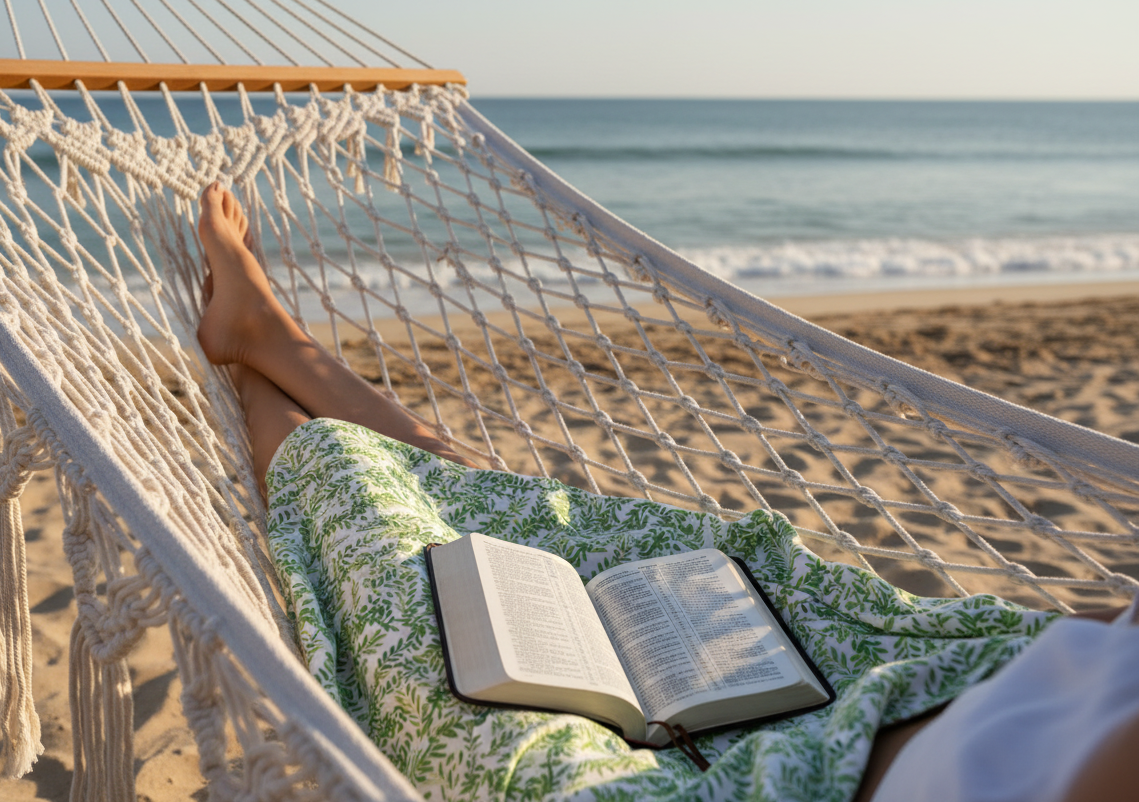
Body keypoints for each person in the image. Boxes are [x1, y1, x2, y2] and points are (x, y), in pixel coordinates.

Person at [194, 182, 1139, 802]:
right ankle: (268, 344)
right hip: (901, 681)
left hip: (779, 769)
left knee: (418, 583)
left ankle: (258, 361)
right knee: (553, 536)